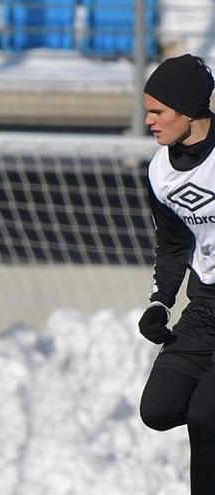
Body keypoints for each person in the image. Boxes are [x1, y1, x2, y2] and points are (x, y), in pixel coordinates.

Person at [138, 54, 215, 494]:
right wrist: (160, 301)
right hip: (205, 304)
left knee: (206, 415)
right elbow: (172, 245)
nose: (149, 121)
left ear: (188, 109)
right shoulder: (160, 172)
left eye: (157, 111)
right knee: (160, 408)